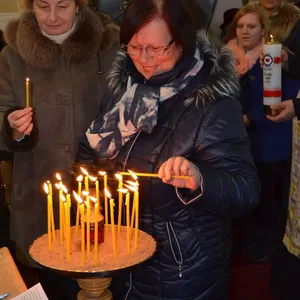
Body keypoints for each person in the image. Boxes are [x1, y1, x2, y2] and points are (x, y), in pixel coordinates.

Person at [76, 0, 260, 299]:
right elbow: (88, 154)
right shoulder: (123, 92)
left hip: (179, 271)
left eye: (156, 48)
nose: (143, 59)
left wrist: (199, 179)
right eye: (133, 47)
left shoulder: (212, 104)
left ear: (182, 42)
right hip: (118, 257)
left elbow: (245, 191)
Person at [0, 0, 119, 298]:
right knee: (56, 283)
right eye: (43, 6)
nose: (52, 17)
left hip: (100, 192)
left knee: (104, 279)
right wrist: (11, 127)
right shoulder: (11, 55)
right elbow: (2, 115)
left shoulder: (110, 47)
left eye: (62, 6)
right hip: (40, 194)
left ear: (79, 6)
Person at [226, 2, 300, 263]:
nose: (245, 32)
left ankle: (264, 243)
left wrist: (250, 118)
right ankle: (246, 239)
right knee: (244, 195)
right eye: (241, 26)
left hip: (270, 140)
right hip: (240, 141)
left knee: (268, 198)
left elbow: (283, 99)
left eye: (252, 27)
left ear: (263, 31)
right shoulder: (228, 62)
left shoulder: (271, 58)